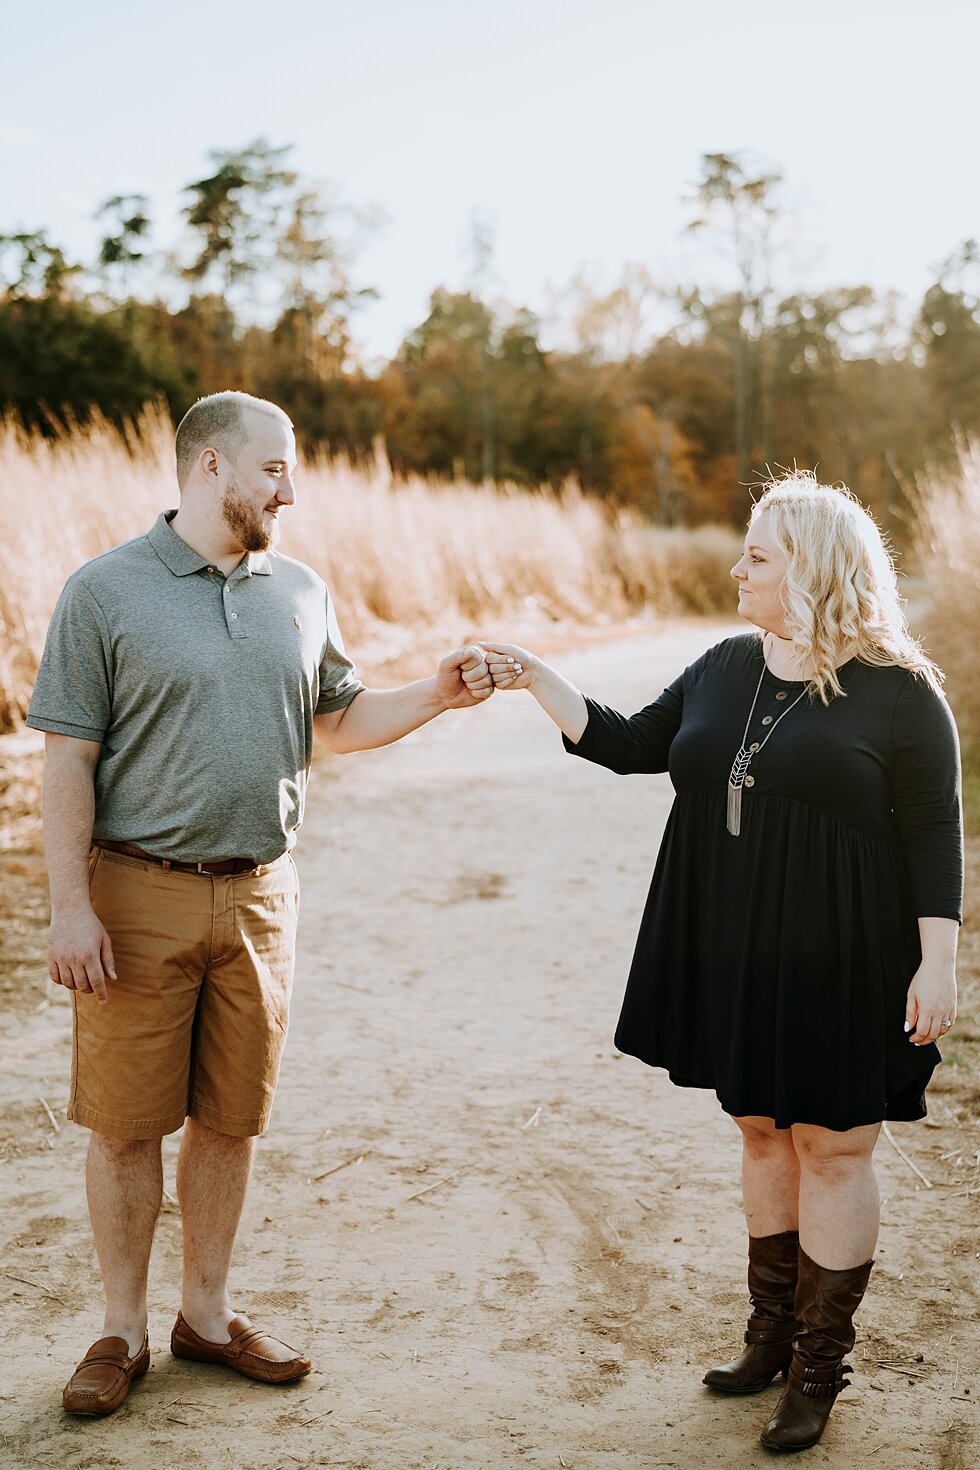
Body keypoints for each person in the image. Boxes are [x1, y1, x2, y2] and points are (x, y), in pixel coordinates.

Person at [27, 390, 494, 1417]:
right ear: (210, 468)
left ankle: (205, 1314)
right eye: (274, 467)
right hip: (134, 893)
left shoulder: (303, 589)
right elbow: (69, 755)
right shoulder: (104, 591)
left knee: (230, 1122)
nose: (291, 487)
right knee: (121, 1127)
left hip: (263, 901)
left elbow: (338, 718)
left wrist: (436, 692)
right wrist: (70, 905)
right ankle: (121, 1330)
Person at [482, 471, 963, 1453]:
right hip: (732, 942)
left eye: (757, 554)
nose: (735, 566)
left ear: (815, 572)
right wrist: (534, 672)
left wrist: (936, 963)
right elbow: (623, 744)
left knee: (831, 1144)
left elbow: (933, 836)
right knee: (755, 1129)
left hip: (846, 955)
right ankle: (767, 1337)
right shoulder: (720, 666)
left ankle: (819, 1369)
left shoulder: (902, 693)